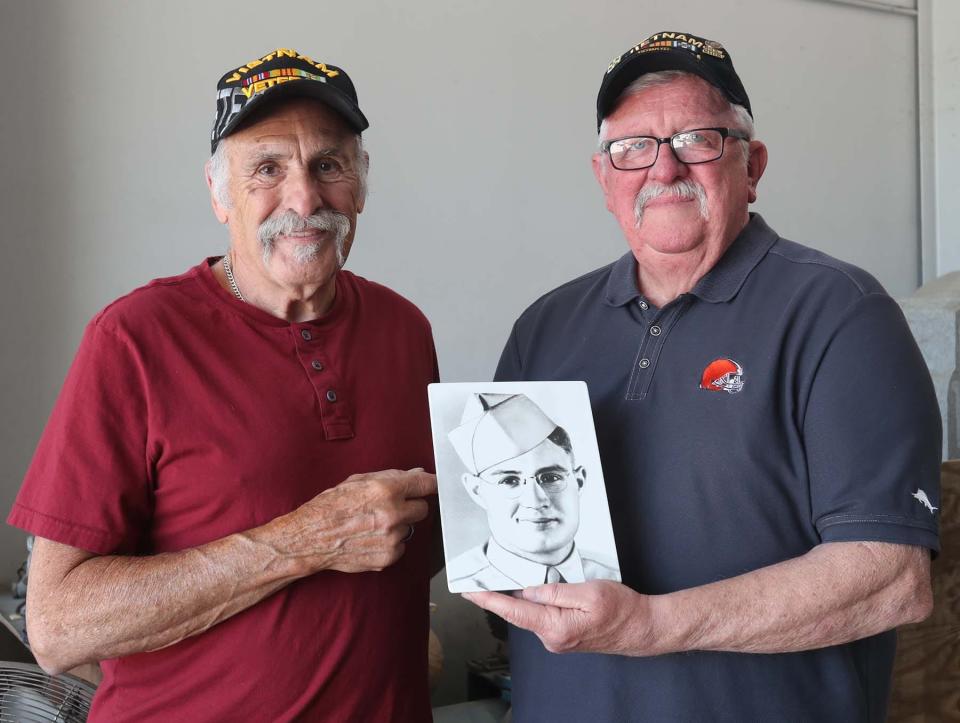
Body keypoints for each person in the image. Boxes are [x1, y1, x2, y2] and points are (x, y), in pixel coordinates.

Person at [463, 31, 942, 722]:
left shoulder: (841, 313)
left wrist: (650, 626)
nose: (663, 169)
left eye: (696, 138)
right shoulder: (545, 326)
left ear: (753, 166)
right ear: (604, 178)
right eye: (633, 147)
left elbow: (889, 580)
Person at [8, 48, 439, 722]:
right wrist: (303, 539)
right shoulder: (134, 339)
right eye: (267, 168)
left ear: (360, 184)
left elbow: (410, 561)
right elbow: (58, 628)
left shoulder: (405, 329)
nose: (303, 197)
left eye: (328, 164)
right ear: (218, 193)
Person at [445, 393, 619, 591]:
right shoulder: (460, 588)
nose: (535, 500)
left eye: (551, 477)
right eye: (510, 480)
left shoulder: (616, 577)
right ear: (477, 491)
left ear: (579, 481)